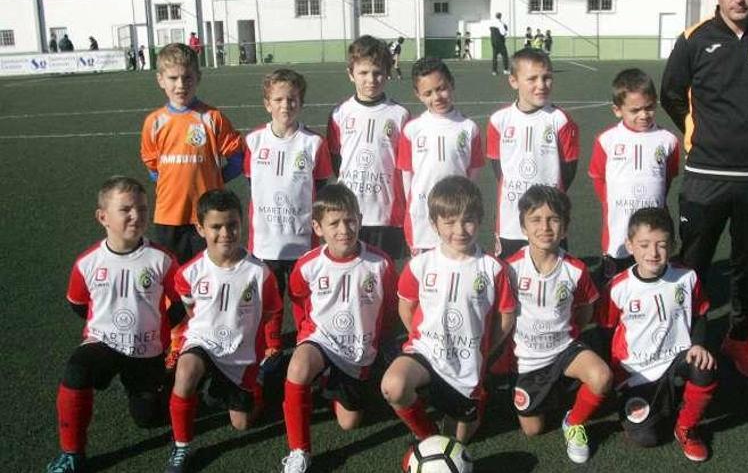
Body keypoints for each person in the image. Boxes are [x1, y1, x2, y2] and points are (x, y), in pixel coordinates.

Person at [660, 0, 748, 379]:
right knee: (693, 265)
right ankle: (687, 340)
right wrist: (697, 132)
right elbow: (672, 93)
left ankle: (741, 339)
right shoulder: (694, 39)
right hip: (706, 174)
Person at [45, 177, 184, 473]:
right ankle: (72, 454)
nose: (137, 216)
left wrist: (158, 327)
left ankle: (171, 388)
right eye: (126, 209)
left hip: (147, 350)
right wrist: (108, 328)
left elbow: (180, 303)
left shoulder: (163, 259)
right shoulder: (87, 262)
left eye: (143, 209)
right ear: (103, 217)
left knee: (147, 419)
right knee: (78, 367)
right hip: (104, 343)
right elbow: (78, 304)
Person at [381, 176, 516, 448]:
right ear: (434, 223)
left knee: (456, 443)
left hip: (466, 364)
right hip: (426, 352)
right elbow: (406, 306)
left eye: (467, 220)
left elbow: (506, 317)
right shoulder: (420, 264)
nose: (460, 230)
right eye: (449, 222)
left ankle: (476, 401)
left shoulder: (493, 269)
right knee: (393, 386)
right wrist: (421, 339)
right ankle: (427, 437)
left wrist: (485, 351)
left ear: (479, 220)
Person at [140, 43, 245, 368]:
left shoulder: (211, 118)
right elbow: (153, 166)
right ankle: (176, 339)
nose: (180, 84)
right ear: (160, 80)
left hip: (207, 222)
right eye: (173, 78)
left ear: (197, 77)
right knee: (172, 284)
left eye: (187, 77)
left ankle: (213, 335)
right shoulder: (155, 122)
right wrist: (174, 189)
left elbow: (239, 156)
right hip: (169, 217)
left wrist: (215, 182)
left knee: (210, 280)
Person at [280, 184, 398, 473]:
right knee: (298, 366)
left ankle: (329, 383)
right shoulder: (308, 265)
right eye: (334, 223)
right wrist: (304, 336)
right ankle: (299, 452)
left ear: (359, 218)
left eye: (350, 220)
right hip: (322, 340)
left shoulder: (380, 263)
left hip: (359, 350)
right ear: (318, 227)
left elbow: (390, 311)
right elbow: (298, 301)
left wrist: (384, 345)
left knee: (349, 423)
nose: (344, 229)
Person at [163, 189, 283, 473]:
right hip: (204, 342)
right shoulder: (189, 273)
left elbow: (270, 312)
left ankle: (260, 382)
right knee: (186, 369)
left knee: (241, 423)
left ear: (242, 223)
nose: (225, 233)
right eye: (216, 227)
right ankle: (181, 446)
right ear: (200, 228)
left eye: (232, 225)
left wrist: (261, 342)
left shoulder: (260, 273)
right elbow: (194, 313)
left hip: (241, 355)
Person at [595, 207, 717, 462]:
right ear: (629, 245)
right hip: (636, 372)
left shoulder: (687, 277)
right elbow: (605, 331)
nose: (653, 252)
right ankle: (657, 401)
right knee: (647, 437)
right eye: (644, 244)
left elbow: (700, 314)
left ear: (672, 245)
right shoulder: (618, 287)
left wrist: (698, 345)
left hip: (677, 358)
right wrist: (615, 378)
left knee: (705, 367)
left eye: (661, 245)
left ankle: (686, 428)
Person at [506, 185, 611, 464]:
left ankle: (574, 422)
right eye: (536, 220)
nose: (545, 227)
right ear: (523, 226)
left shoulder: (576, 269)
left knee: (602, 377)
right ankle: (553, 391)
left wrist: (569, 334)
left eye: (553, 219)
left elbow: (585, 311)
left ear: (565, 228)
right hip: (529, 359)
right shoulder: (511, 268)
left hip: (565, 349)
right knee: (533, 430)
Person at [244, 69, 333, 318]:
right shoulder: (254, 141)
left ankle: (304, 336)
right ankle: (271, 345)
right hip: (265, 239)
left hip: (301, 239)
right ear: (267, 104)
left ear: (301, 102)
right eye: (278, 100)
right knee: (269, 296)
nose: (286, 105)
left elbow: (322, 188)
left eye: (292, 99)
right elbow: (252, 182)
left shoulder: (314, 143)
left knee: (302, 294)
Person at [487, 48, 580, 259]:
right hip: (511, 218)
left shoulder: (561, 120)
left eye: (547, 78)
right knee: (509, 276)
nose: (541, 85)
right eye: (532, 79)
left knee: (553, 273)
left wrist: (547, 197)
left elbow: (568, 171)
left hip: (549, 217)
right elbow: (498, 167)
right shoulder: (499, 121)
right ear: (513, 81)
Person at [589, 68, 679, 284]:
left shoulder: (667, 140)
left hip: (653, 231)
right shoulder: (607, 140)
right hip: (618, 231)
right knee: (613, 286)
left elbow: (667, 179)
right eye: (635, 110)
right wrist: (614, 203)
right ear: (618, 110)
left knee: (652, 281)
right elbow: (598, 179)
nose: (643, 115)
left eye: (649, 108)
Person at [326, 35, 409, 260]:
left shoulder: (400, 115)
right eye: (363, 73)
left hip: (386, 213)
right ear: (351, 74)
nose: (371, 79)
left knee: (384, 274)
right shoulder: (339, 113)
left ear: (387, 73)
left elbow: (405, 166)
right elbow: (335, 159)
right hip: (349, 212)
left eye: (377, 72)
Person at [397, 57, 484, 254]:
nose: (437, 97)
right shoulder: (412, 130)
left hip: (456, 217)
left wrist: (464, 203)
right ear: (418, 95)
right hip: (422, 217)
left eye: (441, 88)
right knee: (425, 275)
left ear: (451, 84)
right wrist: (413, 208)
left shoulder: (469, 128)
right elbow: (406, 175)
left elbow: (474, 171)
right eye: (428, 93)